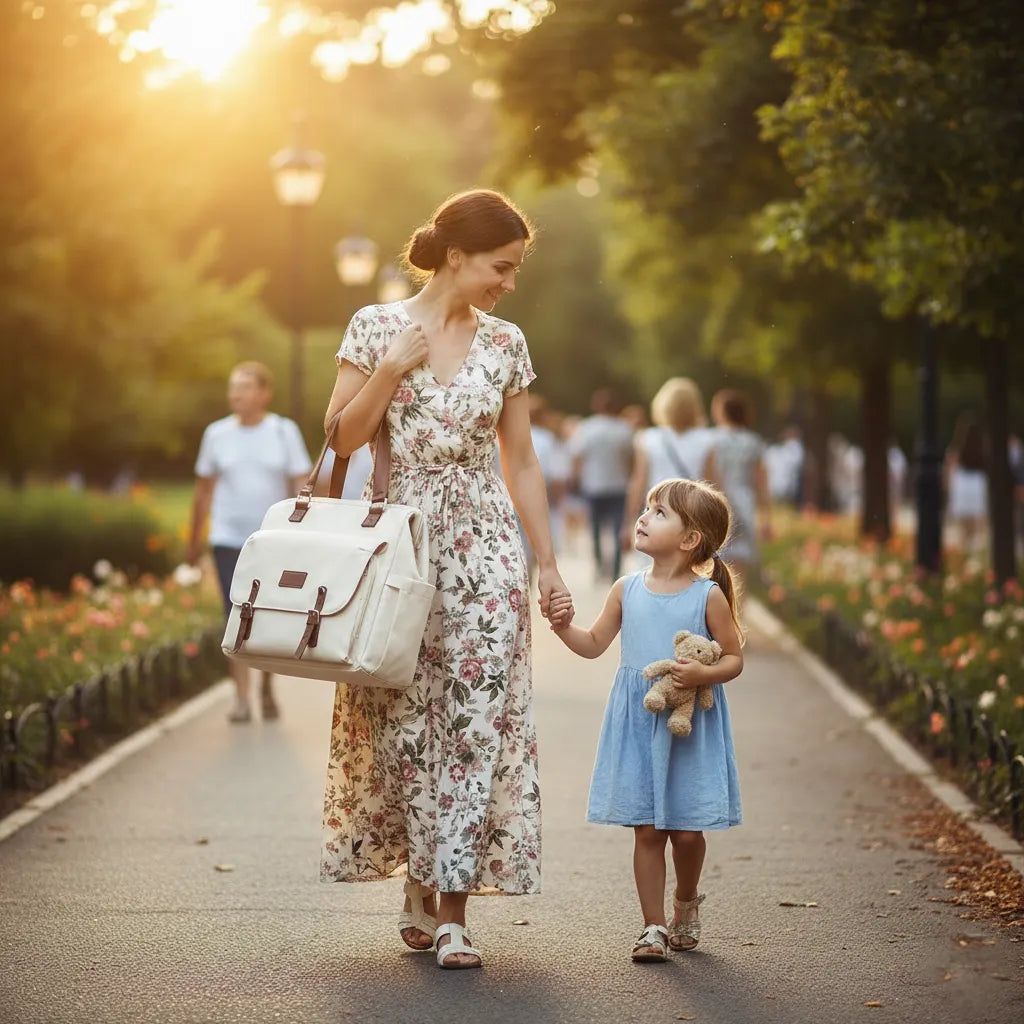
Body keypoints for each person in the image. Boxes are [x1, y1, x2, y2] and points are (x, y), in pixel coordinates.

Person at [320, 189, 573, 971]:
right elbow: (340, 438)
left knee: (474, 723)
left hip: (486, 546)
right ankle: (418, 879)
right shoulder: (374, 328)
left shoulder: (506, 343)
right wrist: (391, 370)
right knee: (398, 718)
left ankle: (456, 911)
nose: (508, 281)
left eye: (515, 270)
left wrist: (548, 561)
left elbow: (521, 460)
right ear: (457, 256)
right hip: (400, 546)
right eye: (502, 266)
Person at [548, 477, 744, 963]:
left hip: (689, 728)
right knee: (649, 830)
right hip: (639, 721)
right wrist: (562, 626)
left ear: (689, 539)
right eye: (647, 508)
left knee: (687, 831)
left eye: (658, 512)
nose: (643, 516)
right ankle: (652, 926)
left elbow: (734, 658)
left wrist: (705, 672)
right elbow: (593, 645)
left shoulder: (706, 597)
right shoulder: (626, 588)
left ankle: (685, 902)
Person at [187, 361, 313, 723]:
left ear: (264, 393)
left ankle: (267, 685)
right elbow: (202, 492)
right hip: (227, 538)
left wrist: (301, 533)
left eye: (243, 387)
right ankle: (241, 699)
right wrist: (194, 540)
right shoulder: (216, 434)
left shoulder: (283, 431)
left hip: (270, 540)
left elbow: (300, 484)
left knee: (267, 615)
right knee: (234, 616)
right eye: (232, 387)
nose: (235, 394)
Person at [621, 377, 717, 556]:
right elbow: (711, 486)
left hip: (656, 514)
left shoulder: (648, 438)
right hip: (691, 517)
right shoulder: (707, 440)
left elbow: (638, 483)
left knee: (650, 574)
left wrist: (627, 523)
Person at [707, 389, 772, 579]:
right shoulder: (753, 442)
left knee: (712, 570)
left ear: (720, 411)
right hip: (744, 503)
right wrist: (766, 518)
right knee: (739, 575)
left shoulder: (710, 439)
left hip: (716, 502)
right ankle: (737, 608)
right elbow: (761, 483)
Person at [571, 388, 635, 580]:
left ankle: (600, 566)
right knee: (617, 529)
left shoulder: (586, 428)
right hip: (618, 485)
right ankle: (615, 569)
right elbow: (630, 459)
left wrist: (575, 479)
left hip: (594, 486)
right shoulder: (624, 429)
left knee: (596, 529)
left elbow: (578, 457)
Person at [945, 413, 988, 553]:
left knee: (964, 528)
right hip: (978, 483)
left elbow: (950, 468)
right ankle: (975, 554)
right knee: (978, 527)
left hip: (962, 483)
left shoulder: (957, 448)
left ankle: (966, 553)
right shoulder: (982, 448)